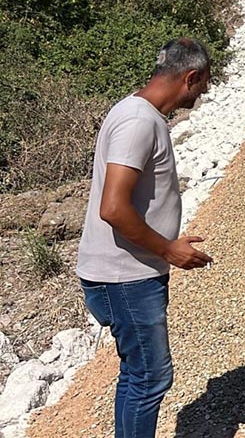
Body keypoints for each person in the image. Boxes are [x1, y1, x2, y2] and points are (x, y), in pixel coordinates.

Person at [77, 38, 214, 438]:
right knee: (150, 378)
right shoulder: (139, 121)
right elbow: (113, 208)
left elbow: (133, 202)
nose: (204, 91)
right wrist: (167, 248)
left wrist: (166, 235)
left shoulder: (135, 112)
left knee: (137, 376)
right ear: (190, 77)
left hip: (130, 273)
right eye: (204, 83)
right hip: (125, 279)